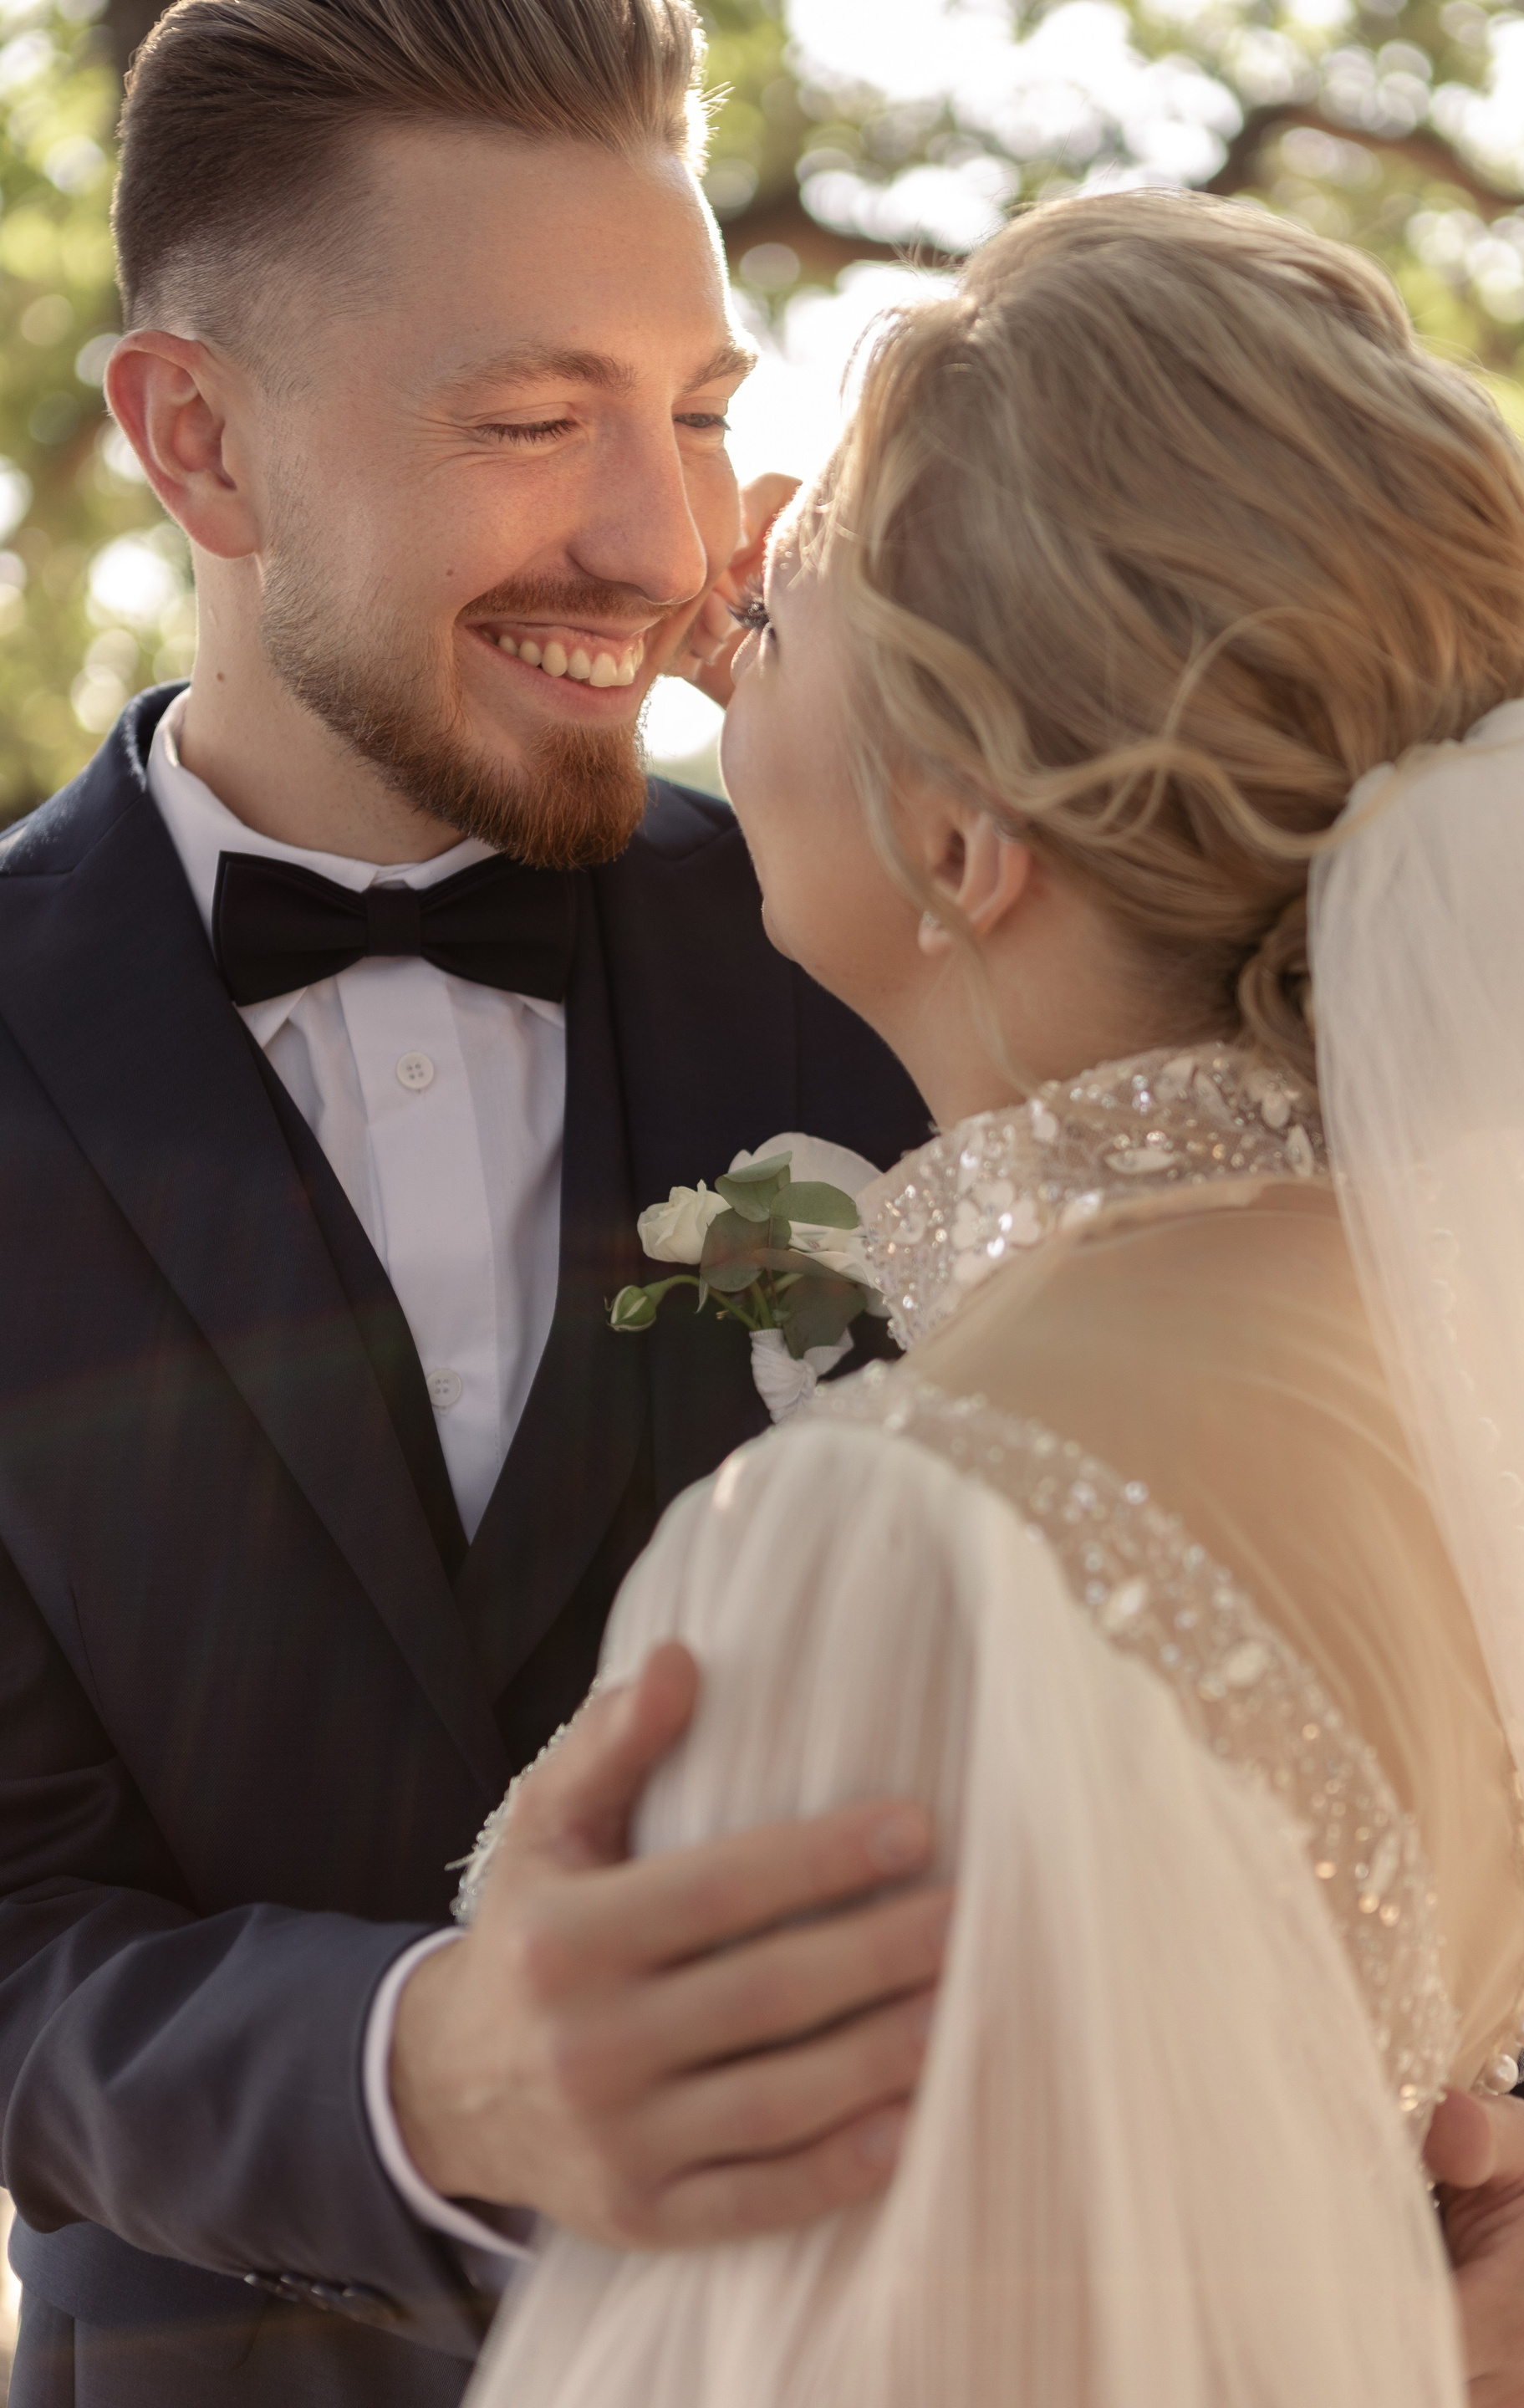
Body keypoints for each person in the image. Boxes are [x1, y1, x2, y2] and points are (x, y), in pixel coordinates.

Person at [455, 192, 1524, 2406]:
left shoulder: (914, 1525)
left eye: (796, 580)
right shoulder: (1457, 1358)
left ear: (972, 849)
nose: (724, 568)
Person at [0, 3, 940, 2402]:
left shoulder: (911, 963)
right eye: (534, 422)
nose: (664, 545)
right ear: (199, 441)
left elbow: (1247, 1541)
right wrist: (418, 2079)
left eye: (700, 414)